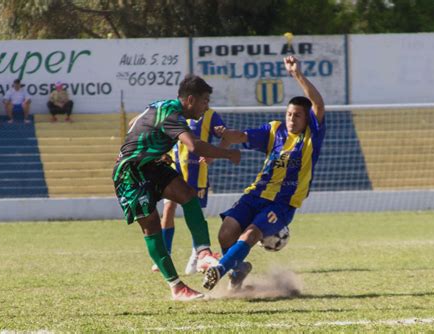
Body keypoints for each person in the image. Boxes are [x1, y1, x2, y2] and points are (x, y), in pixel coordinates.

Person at [203, 56, 326, 291]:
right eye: (289, 114)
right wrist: (227, 135)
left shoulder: (312, 136)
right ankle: (239, 271)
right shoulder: (275, 130)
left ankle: (219, 269)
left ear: (307, 118)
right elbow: (244, 137)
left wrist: (296, 74)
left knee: (250, 235)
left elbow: (318, 105)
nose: (291, 118)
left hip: (281, 203)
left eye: (297, 115)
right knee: (226, 234)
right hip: (255, 194)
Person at [112, 74, 241, 301]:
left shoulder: (162, 106)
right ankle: (177, 286)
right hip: (130, 173)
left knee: (187, 195)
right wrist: (228, 153)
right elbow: (194, 146)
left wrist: (155, 150)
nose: (206, 107)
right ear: (190, 100)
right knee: (151, 227)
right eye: (204, 101)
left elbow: (136, 124)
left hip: (151, 164)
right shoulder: (172, 115)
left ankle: (202, 253)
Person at [152, 108, 228, 275]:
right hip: (173, 170)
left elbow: (226, 136)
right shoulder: (175, 115)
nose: (205, 103)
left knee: (195, 212)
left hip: (197, 173)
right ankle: (165, 254)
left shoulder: (210, 115)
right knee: (168, 208)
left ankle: (197, 253)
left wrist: (214, 155)